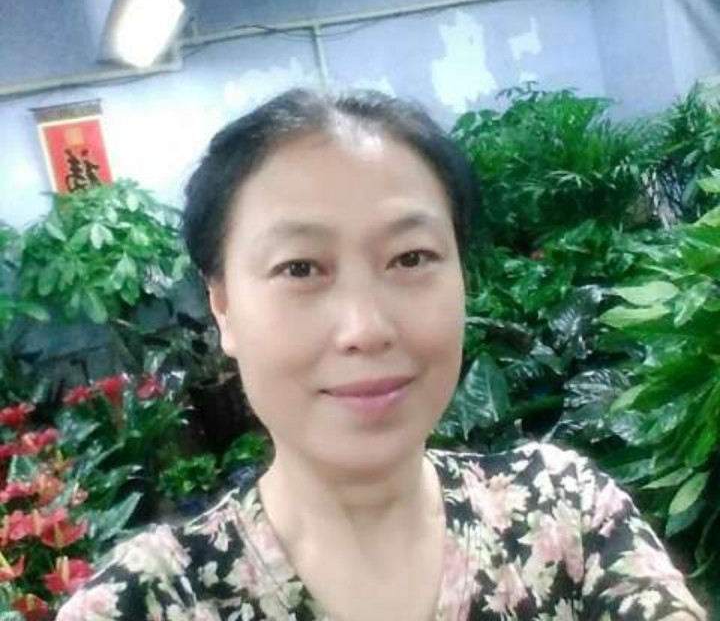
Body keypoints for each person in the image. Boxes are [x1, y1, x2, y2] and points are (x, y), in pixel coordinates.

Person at [57, 89, 706, 621]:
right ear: (223, 306)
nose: (365, 329)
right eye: (300, 267)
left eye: (411, 257)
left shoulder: (562, 516)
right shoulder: (147, 601)